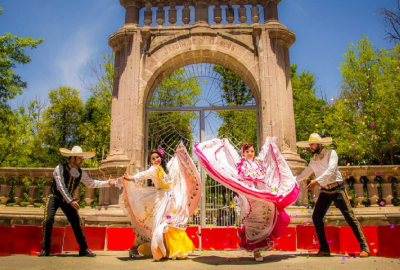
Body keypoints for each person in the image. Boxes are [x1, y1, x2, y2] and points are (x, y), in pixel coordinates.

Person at [194, 137, 299, 262]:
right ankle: (256, 251)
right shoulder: (241, 163)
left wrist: (268, 143)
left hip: (261, 195)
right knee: (252, 221)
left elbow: (264, 153)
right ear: (243, 153)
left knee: (266, 216)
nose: (250, 153)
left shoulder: (259, 162)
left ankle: (259, 248)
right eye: (247, 151)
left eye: (252, 151)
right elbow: (233, 155)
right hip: (248, 196)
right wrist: (227, 144)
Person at [115, 143, 201, 261]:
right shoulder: (154, 169)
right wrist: (132, 178)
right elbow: (144, 174)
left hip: (169, 200)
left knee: (168, 223)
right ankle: (138, 248)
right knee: (157, 224)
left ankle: (162, 249)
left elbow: (171, 172)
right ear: (151, 162)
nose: (156, 160)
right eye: (153, 159)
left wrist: (176, 157)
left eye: (157, 157)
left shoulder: (162, 169)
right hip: (160, 201)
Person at [296, 133, 369, 257]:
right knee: (316, 217)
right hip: (325, 190)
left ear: (319, 144)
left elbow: (331, 170)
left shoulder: (331, 153)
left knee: (349, 216)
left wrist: (316, 181)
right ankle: (324, 248)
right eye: (309, 145)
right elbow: (305, 174)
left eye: (312, 144)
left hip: (337, 189)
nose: (310, 147)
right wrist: (290, 180)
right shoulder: (313, 159)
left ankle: (364, 247)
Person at [38, 146, 115, 257]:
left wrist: (107, 183)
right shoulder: (59, 168)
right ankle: (45, 249)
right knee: (48, 219)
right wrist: (70, 200)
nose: (81, 161)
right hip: (54, 197)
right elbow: (60, 186)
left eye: (82, 159)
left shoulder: (81, 173)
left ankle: (84, 249)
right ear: (72, 158)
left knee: (76, 221)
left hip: (68, 200)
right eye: (79, 159)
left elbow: (91, 183)